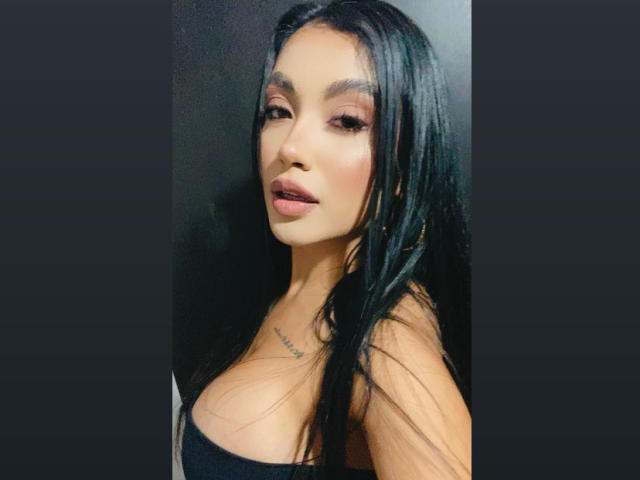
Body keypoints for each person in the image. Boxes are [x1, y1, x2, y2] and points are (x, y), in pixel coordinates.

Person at [175, 1, 471, 479]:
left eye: (347, 121)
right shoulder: (284, 292)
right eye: (279, 111)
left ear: (405, 163)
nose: (290, 146)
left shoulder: (386, 345)